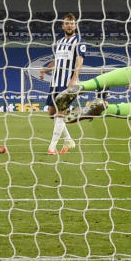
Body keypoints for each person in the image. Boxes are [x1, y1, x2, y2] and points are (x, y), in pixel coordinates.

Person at [38, 13, 86, 155]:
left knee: (60, 113)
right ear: (63, 26)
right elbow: (57, 60)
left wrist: (74, 79)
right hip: (54, 82)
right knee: (52, 113)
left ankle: (51, 147)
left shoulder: (79, 41)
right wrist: (45, 69)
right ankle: (69, 141)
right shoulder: (59, 42)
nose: (69, 25)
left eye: (72, 23)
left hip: (67, 82)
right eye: (67, 23)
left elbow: (79, 61)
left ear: (75, 25)